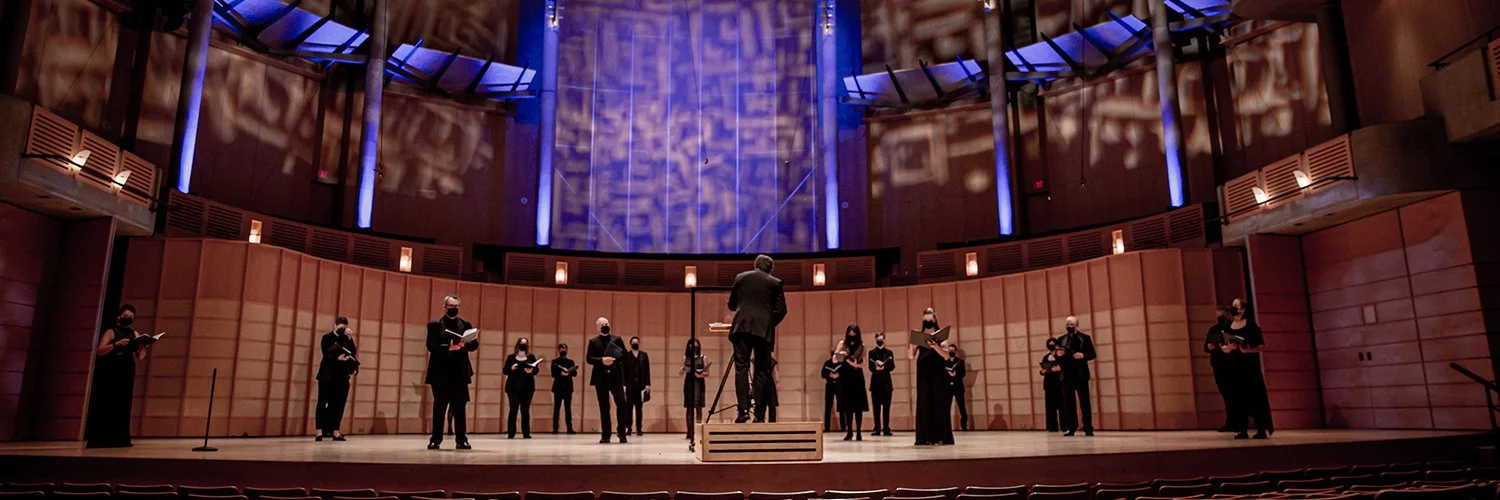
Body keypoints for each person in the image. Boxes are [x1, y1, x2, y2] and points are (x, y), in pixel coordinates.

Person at [728, 254, 787, 423]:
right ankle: (759, 416)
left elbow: (732, 304)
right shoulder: (775, 282)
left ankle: (743, 411)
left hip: (741, 328)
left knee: (741, 369)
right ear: (770, 269)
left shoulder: (740, 277)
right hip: (763, 332)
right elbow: (782, 310)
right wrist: (768, 323)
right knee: (762, 371)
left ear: (755, 265)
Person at [85, 305, 150, 448]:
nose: (128, 319)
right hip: (112, 369)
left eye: (131, 317)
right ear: (119, 316)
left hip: (127, 370)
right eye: (126, 316)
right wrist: (116, 344)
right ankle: (101, 439)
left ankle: (120, 438)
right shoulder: (111, 331)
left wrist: (142, 347)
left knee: (123, 403)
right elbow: (100, 351)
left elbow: (140, 357)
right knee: (108, 402)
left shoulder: (134, 333)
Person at [427, 295, 478, 450]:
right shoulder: (435, 324)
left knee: (460, 408)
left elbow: (474, 344)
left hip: (459, 371)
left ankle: (461, 439)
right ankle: (435, 439)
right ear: (445, 306)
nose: (453, 308)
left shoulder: (465, 324)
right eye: (450, 305)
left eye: (456, 305)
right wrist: (447, 347)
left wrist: (464, 344)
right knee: (440, 407)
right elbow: (430, 345)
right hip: (441, 371)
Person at [1225, 298, 1272, 440]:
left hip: (1250, 367)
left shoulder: (1252, 325)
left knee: (1256, 396)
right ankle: (1241, 429)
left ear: (1243, 309)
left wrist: (1248, 350)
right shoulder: (1228, 325)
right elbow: (1224, 345)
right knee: (1237, 398)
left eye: (1236, 305)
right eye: (1233, 305)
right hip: (1235, 366)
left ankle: (1261, 428)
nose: (1234, 307)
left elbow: (1261, 346)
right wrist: (1227, 348)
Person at [910, 308, 954, 445]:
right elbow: (910, 356)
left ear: (935, 319)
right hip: (923, 373)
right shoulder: (920, 335)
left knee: (939, 403)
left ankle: (940, 436)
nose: (928, 321)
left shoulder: (942, 337)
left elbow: (946, 355)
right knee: (924, 403)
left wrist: (935, 346)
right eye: (926, 319)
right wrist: (912, 345)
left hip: (938, 373)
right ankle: (925, 437)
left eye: (930, 319)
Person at [587, 317, 630, 443]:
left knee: (621, 403)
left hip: (615, 377)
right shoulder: (593, 341)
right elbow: (589, 358)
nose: (605, 325)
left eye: (607, 323)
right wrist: (602, 360)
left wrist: (615, 359)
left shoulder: (617, 339)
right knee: (604, 407)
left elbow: (625, 355)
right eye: (602, 324)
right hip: (601, 378)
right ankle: (605, 434)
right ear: (597, 327)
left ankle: (621, 432)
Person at [315, 316, 358, 442]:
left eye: (344, 327)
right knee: (322, 403)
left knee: (338, 405)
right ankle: (319, 431)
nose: (342, 329)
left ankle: (336, 431)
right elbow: (326, 353)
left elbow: (352, 353)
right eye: (340, 326)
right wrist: (336, 358)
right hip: (327, 375)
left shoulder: (346, 339)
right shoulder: (327, 338)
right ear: (335, 325)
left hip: (341, 376)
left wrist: (349, 338)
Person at [1057, 316, 1096, 437]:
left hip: (1080, 374)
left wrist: (1083, 355)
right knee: (1068, 403)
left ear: (1076, 325)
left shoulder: (1085, 338)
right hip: (1066, 375)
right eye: (1067, 324)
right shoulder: (1061, 339)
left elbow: (1092, 354)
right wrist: (1059, 355)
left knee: (1085, 402)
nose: (1069, 326)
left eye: (1071, 324)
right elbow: (1058, 357)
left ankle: (1088, 427)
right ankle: (1071, 427)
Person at [1204, 307, 1236, 432]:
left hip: (1233, 365)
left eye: (1222, 315)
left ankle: (1238, 421)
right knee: (1226, 394)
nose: (1220, 317)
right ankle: (1231, 421)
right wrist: (1209, 346)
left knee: (1234, 394)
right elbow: (1206, 346)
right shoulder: (1214, 329)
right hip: (1219, 365)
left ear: (1228, 315)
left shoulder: (1233, 328)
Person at [836, 324, 869, 441]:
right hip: (845, 377)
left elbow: (864, 363)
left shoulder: (862, 346)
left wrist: (853, 364)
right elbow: (834, 359)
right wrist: (842, 354)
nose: (851, 334)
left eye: (854, 332)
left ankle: (859, 431)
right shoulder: (842, 344)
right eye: (849, 331)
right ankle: (849, 431)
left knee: (858, 407)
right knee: (847, 406)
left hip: (857, 377)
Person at [503, 337, 538, 439]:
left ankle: (526, 433)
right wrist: (511, 368)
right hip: (513, 387)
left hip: (527, 388)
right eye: (522, 343)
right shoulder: (511, 357)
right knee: (513, 409)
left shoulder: (531, 357)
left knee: (525, 410)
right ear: (518, 344)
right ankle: (511, 433)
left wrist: (531, 371)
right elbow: (505, 371)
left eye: (525, 343)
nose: (523, 345)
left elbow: (536, 370)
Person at [868, 332, 895, 436]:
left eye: (881, 338)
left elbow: (892, 366)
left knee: (886, 408)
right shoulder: (871, 353)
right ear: (875, 339)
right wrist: (876, 368)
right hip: (875, 383)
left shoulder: (889, 353)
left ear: (884, 339)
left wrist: (884, 367)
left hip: (887, 383)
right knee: (876, 407)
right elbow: (870, 367)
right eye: (878, 338)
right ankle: (877, 428)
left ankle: (886, 428)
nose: (880, 340)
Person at [682, 338, 708, 441]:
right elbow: (681, 373)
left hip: (699, 382)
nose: (694, 347)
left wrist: (699, 374)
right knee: (689, 407)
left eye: (696, 345)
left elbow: (707, 373)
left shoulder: (703, 357)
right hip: (688, 382)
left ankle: (698, 430)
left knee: (698, 407)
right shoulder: (686, 357)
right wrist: (683, 369)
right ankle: (689, 431)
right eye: (692, 345)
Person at [625, 336, 652, 436]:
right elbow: (624, 371)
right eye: (633, 342)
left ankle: (639, 428)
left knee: (639, 409)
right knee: (628, 408)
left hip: (640, 386)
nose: (635, 344)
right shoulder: (626, 355)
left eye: (636, 342)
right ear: (630, 344)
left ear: (639, 343)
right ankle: (628, 428)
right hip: (629, 386)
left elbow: (647, 370)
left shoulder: (644, 355)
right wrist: (623, 385)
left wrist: (648, 384)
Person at [551, 343, 578, 434]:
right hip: (558, 387)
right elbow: (553, 374)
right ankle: (555, 428)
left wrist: (569, 372)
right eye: (562, 349)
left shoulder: (570, 362)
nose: (563, 351)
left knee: (568, 408)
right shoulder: (554, 362)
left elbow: (574, 373)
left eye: (565, 349)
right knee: (556, 408)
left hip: (568, 387)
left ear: (567, 350)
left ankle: (569, 428)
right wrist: (560, 373)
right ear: (559, 350)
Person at [1039, 338, 1064, 432]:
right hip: (1049, 384)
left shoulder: (1061, 356)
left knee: (1062, 406)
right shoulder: (1046, 357)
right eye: (1049, 344)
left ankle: (1064, 425)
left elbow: (1065, 367)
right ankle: (1052, 426)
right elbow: (1044, 369)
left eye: (1053, 344)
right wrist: (1042, 371)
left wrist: (1059, 369)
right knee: (1050, 406)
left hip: (1060, 383)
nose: (1051, 346)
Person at [946, 343, 969, 431]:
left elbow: (963, 374)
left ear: (955, 351)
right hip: (948, 387)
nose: (951, 351)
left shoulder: (960, 362)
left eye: (952, 350)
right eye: (949, 350)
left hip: (958, 386)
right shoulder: (945, 362)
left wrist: (956, 374)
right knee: (947, 407)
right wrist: (948, 374)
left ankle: (964, 426)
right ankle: (947, 426)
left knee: (962, 407)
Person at [821, 350, 842, 432]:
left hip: (839, 386)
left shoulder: (841, 363)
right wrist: (829, 374)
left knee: (842, 406)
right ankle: (827, 427)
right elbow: (822, 374)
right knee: (828, 407)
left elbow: (846, 373)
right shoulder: (827, 363)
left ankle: (843, 427)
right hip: (829, 385)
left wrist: (838, 375)